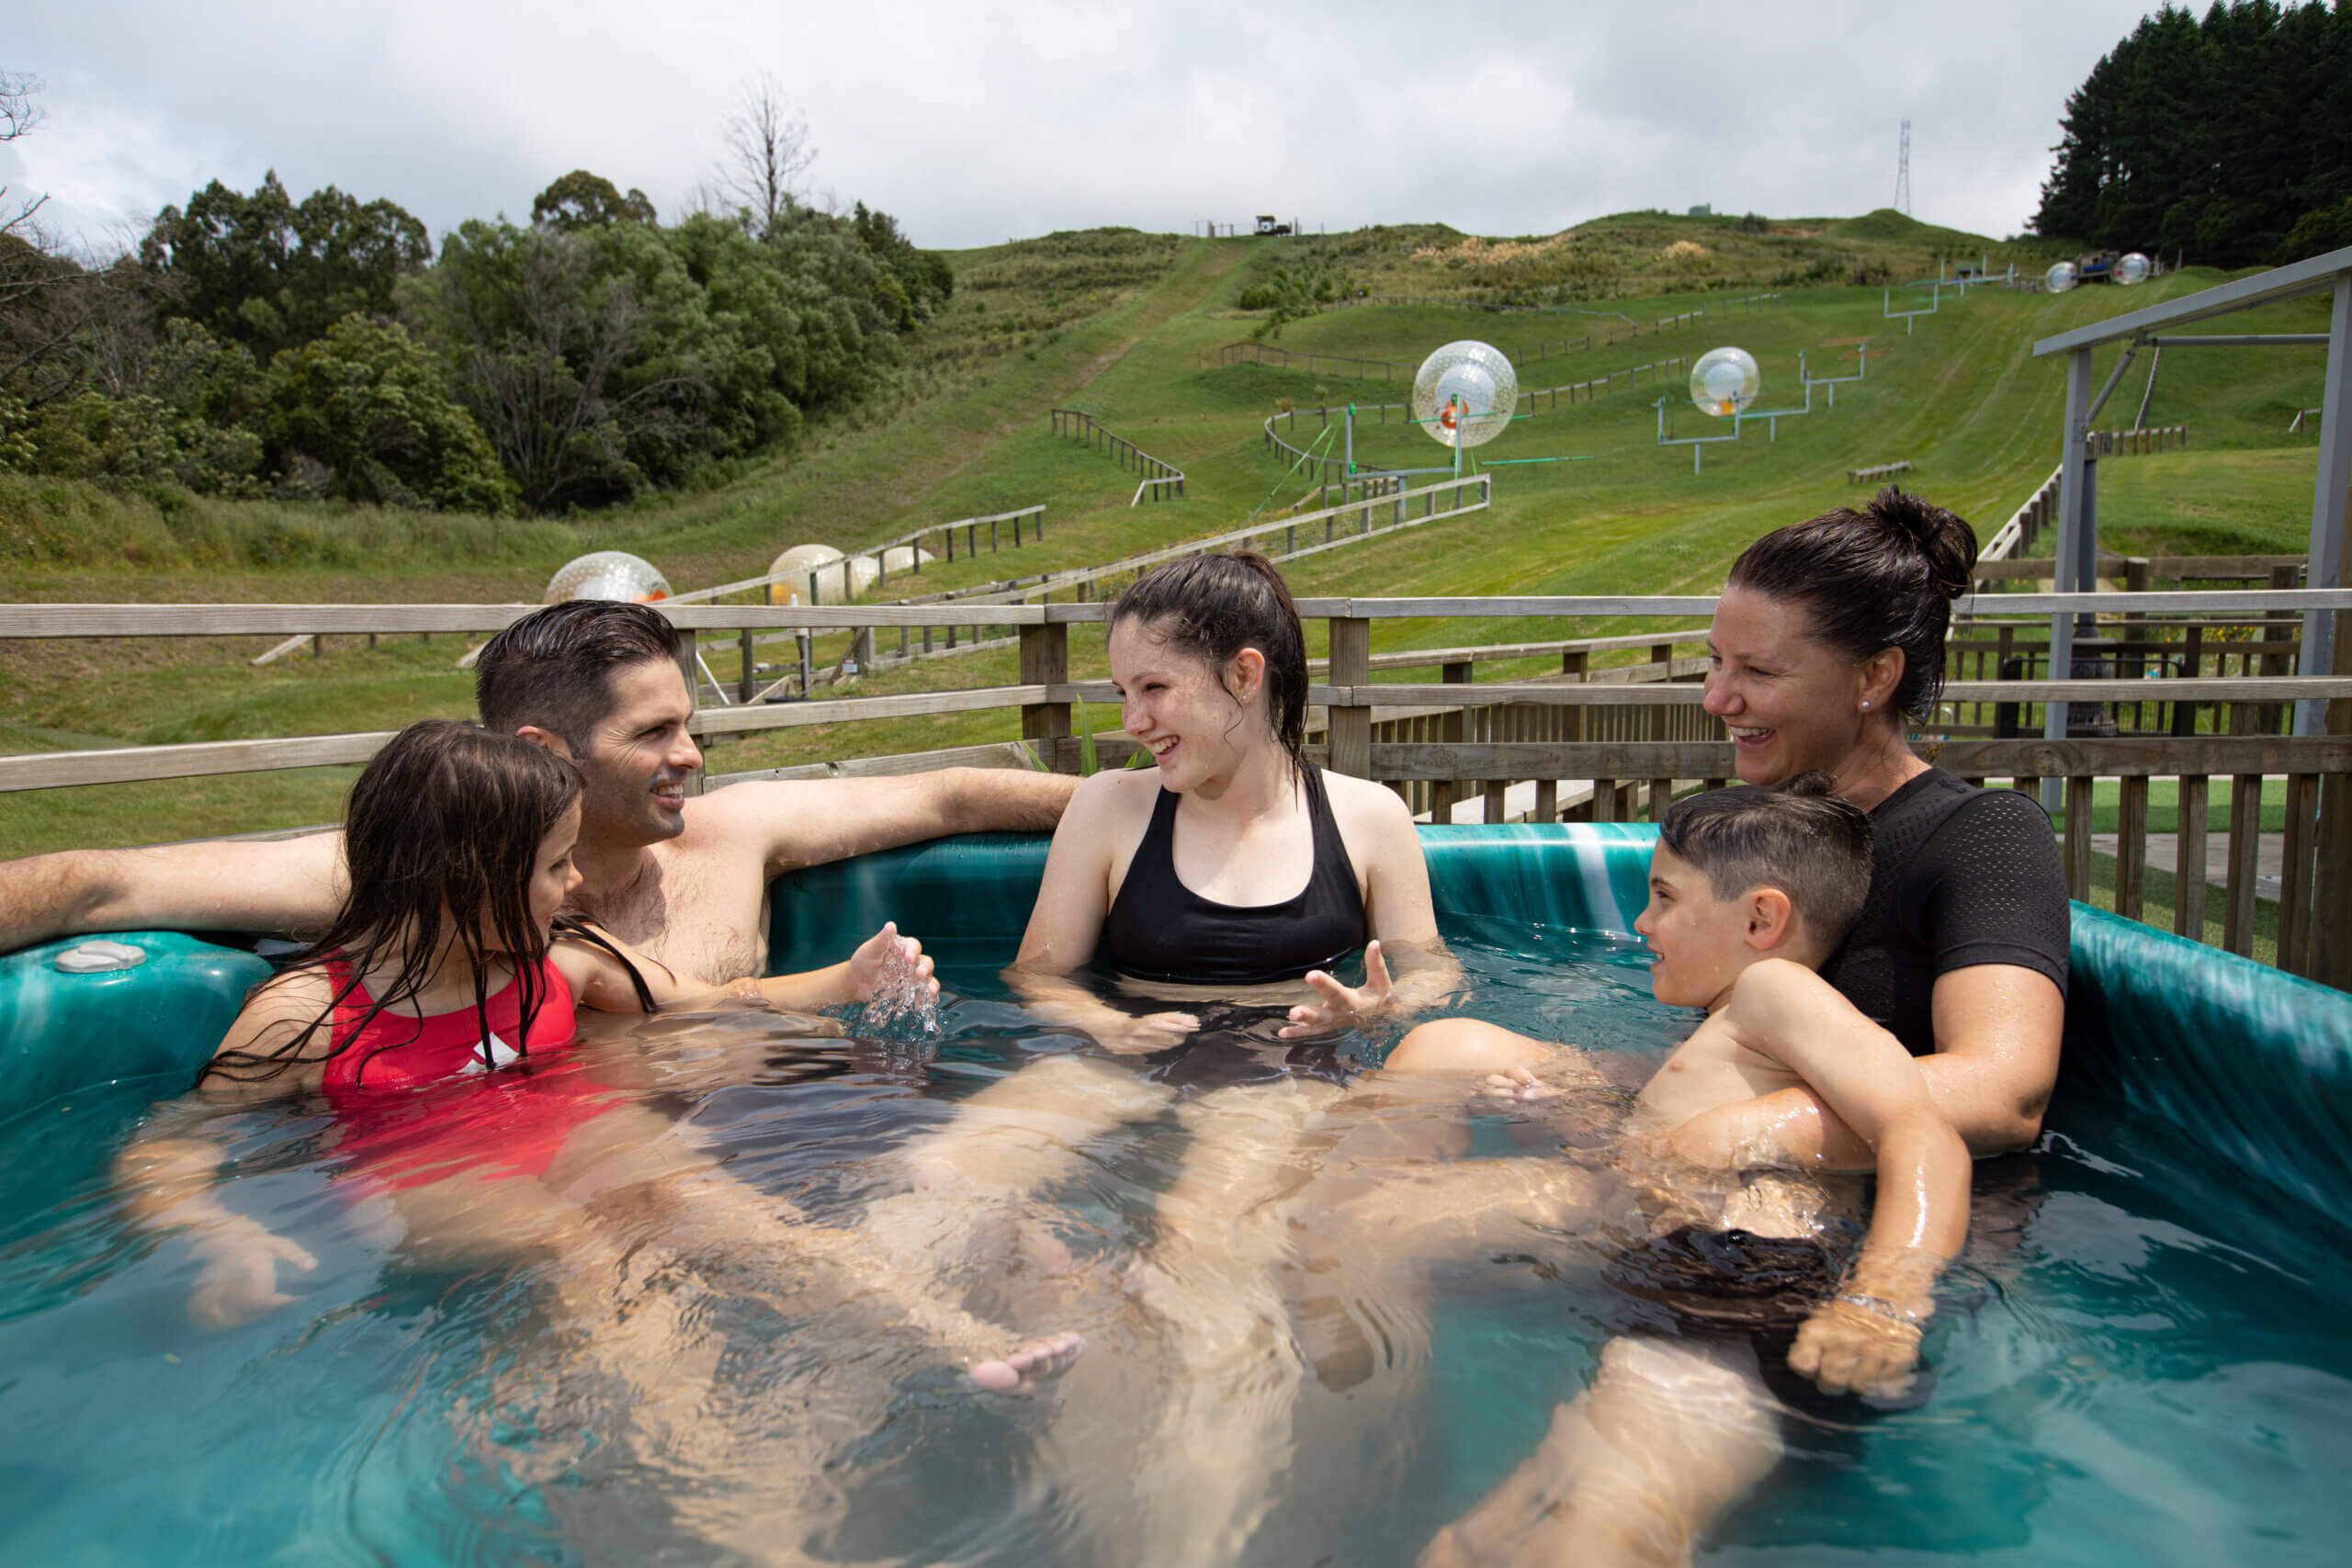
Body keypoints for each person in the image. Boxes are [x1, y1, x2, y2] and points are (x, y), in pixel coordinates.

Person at [115, 719, 1078, 1400]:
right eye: (553, 867)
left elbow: (717, 1005)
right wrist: (215, 1231)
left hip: (573, 1131)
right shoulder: (307, 1016)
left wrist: (844, 979)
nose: (575, 886)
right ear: (462, 882)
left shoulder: (561, 965)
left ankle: (956, 1343)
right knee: (588, 1261)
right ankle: (735, 1507)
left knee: (726, 1210)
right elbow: (173, 1147)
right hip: (431, 1168)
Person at [859, 551, 1460, 1566]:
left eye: (1153, 689)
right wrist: (1100, 1027)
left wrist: (1373, 1015)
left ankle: (1192, 1543)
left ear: (1243, 675)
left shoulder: (1364, 818)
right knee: (925, 1187)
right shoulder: (1112, 808)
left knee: (1206, 1271)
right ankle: (804, 1475)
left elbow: (1434, 975)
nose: (1133, 719)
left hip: (1275, 1073)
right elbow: (1038, 978)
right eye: (1121, 692)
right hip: (1115, 1055)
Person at [1297, 775, 1971, 1566]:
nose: (1643, 921)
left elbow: (1924, 1133)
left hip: (1748, 1287)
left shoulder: (1775, 989)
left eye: (1663, 897)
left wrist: (1886, 1297)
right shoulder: (1727, 1029)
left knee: (1603, 1536)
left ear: (1761, 917)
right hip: (1681, 1279)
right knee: (1468, 1547)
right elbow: (1660, 1150)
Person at [0, 600, 1079, 985]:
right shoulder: (413, 875)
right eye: (653, 733)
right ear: (543, 751)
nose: (693, 757)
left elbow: (947, 801)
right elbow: (93, 884)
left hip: (758, 1153)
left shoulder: (734, 835)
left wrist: (1164, 803)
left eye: (688, 726)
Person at [1691, 487, 2070, 1168]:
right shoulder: (1755, 835)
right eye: (1717, 660)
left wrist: (1727, 1134)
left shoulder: (1982, 835)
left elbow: (2004, 1091)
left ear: (1875, 675)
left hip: (1874, 1238)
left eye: (1759, 670)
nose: (1718, 697)